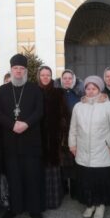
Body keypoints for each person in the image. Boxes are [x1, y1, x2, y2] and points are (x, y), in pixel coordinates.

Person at [0, 54, 45, 218]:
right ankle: (14, 209)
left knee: (32, 177)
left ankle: (35, 210)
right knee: (13, 177)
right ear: (11, 70)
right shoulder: (2, 90)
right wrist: (12, 124)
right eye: (15, 68)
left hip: (30, 141)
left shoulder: (35, 89)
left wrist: (26, 124)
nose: (18, 71)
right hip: (10, 142)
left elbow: (39, 111)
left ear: (26, 71)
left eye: (21, 69)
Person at [69, 76, 110, 218]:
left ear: (99, 89)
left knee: (100, 180)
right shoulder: (78, 107)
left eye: (94, 88)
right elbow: (73, 128)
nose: (91, 91)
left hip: (103, 151)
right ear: (84, 89)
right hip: (84, 151)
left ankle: (100, 205)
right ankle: (90, 204)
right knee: (87, 180)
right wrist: (72, 145)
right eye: (88, 88)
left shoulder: (109, 106)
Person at [37, 66, 69, 209]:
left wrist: (63, 133)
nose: (45, 77)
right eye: (42, 75)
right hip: (38, 137)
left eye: (48, 75)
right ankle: (42, 200)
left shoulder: (58, 92)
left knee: (54, 167)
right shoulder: (33, 91)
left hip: (55, 136)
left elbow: (65, 114)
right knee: (40, 168)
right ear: (39, 76)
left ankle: (55, 200)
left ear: (51, 76)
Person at [54, 69, 85, 199]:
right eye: (64, 78)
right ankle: (63, 189)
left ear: (73, 80)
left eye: (69, 78)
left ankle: (75, 189)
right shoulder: (56, 94)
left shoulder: (79, 95)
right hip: (60, 132)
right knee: (61, 161)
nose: (67, 80)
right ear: (61, 80)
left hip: (75, 132)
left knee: (74, 160)